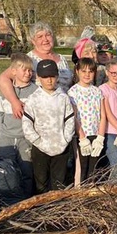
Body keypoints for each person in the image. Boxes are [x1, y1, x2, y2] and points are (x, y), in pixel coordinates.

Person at [0, 23, 73, 121]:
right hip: (41, 115)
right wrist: (14, 102)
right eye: (40, 36)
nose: (45, 39)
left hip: (64, 113)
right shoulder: (28, 60)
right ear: (33, 41)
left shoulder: (62, 59)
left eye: (48, 35)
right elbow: (3, 78)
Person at [22, 59, 76, 193]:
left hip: (61, 148)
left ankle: (57, 211)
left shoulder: (63, 97)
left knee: (59, 183)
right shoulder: (33, 99)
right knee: (41, 183)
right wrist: (38, 141)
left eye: (52, 76)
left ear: (57, 76)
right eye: (45, 77)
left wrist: (65, 139)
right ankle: (42, 211)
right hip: (41, 149)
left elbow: (70, 120)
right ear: (39, 78)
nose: (49, 80)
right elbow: (27, 124)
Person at [0, 52, 37, 195]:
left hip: (25, 140)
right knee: (7, 172)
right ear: (14, 71)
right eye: (24, 70)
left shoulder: (35, 92)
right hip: (6, 140)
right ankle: (9, 200)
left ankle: (27, 199)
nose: (28, 73)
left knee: (27, 171)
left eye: (30, 70)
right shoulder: (5, 92)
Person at [68, 58, 107, 184]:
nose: (87, 74)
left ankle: (91, 195)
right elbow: (74, 117)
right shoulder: (73, 92)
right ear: (77, 71)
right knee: (81, 168)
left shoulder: (97, 91)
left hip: (95, 135)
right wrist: (82, 138)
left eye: (90, 71)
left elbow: (103, 115)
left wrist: (100, 137)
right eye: (83, 71)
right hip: (81, 137)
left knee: (93, 169)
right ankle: (79, 196)